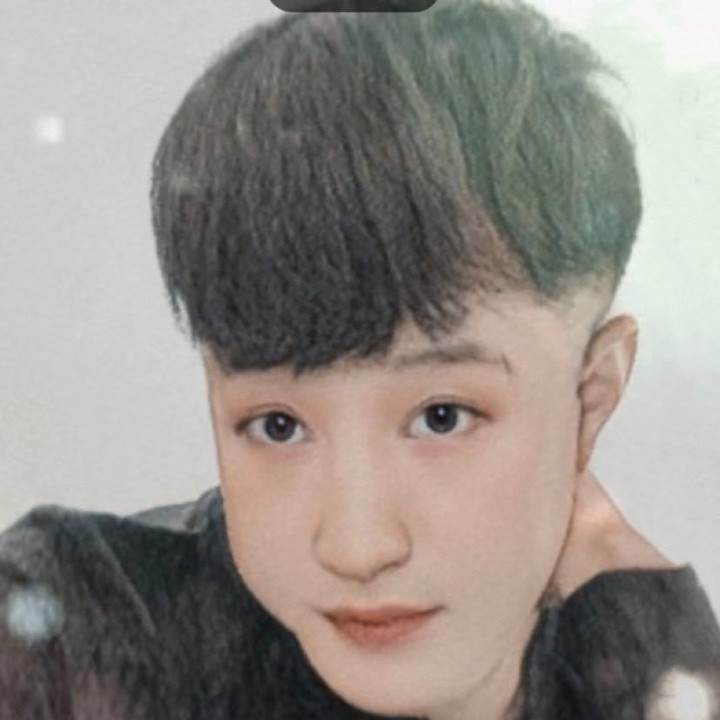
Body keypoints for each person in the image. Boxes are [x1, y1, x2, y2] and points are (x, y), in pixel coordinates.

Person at [1, 1, 719, 718]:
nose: (357, 548)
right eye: (278, 425)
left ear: (592, 397)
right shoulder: (74, 631)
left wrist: (651, 630)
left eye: (442, 417)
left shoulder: (627, 667)